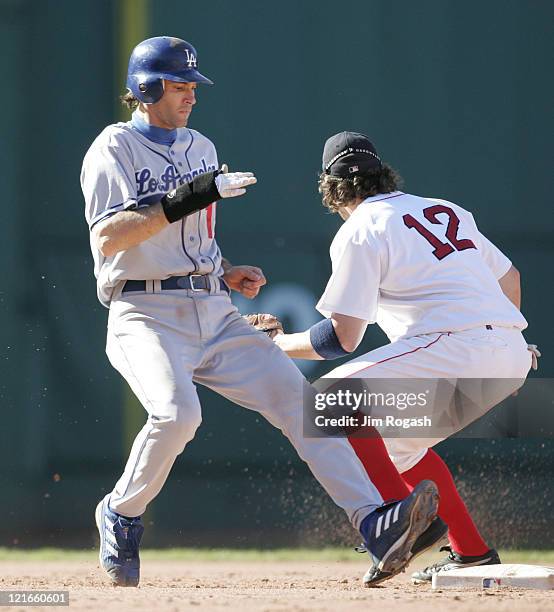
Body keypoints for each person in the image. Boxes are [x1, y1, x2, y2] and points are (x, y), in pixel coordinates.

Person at [80, 39, 439, 588]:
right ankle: (121, 512)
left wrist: (223, 269)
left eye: (193, 86)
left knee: (305, 407)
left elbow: (185, 237)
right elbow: (108, 236)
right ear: (147, 88)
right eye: (180, 86)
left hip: (212, 307)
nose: (191, 96)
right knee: (179, 417)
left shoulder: (200, 145)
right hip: (144, 311)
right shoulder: (114, 147)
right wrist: (193, 195)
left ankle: (375, 524)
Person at [271, 131, 537, 585]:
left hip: (454, 346)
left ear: (331, 188)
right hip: (511, 354)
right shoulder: (445, 209)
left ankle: (405, 526)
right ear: (382, 173)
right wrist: (508, 337)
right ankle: (471, 551)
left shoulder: (359, 227)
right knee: (400, 449)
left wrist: (278, 345)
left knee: (327, 402)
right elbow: (509, 275)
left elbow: (342, 338)